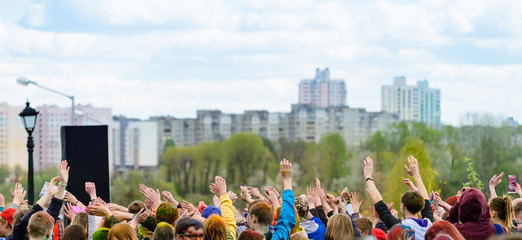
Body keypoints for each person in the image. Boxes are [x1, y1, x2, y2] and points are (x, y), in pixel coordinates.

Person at [364, 156, 434, 240]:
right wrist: (416, 174)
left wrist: (368, 176)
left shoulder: (400, 227)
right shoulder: (429, 224)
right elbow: (425, 200)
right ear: (420, 209)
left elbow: (380, 205)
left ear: (403, 206)